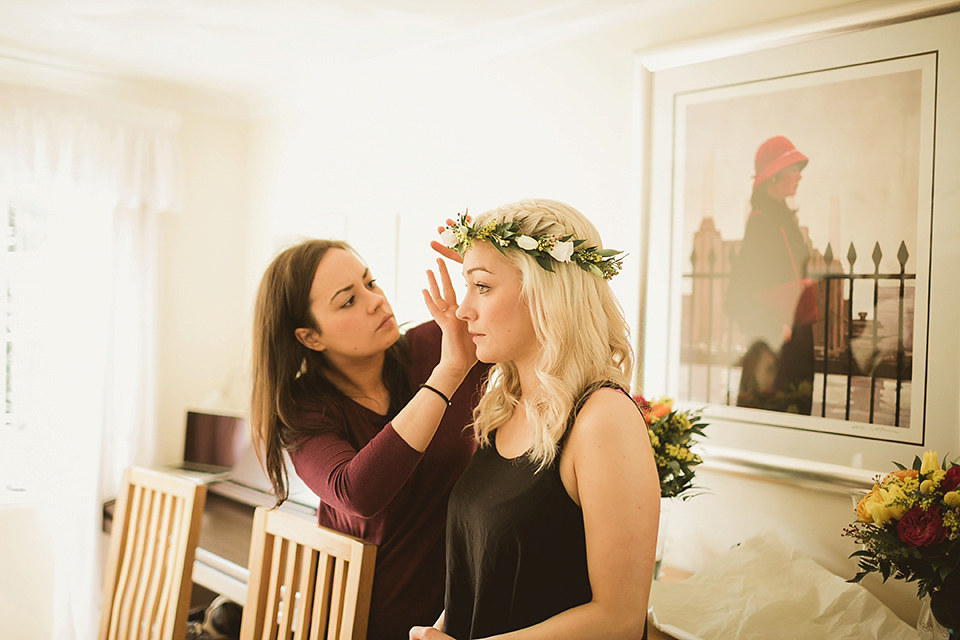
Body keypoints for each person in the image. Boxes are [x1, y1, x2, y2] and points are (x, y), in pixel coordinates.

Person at [410, 199, 660, 640]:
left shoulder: (603, 419)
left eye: (482, 287)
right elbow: (480, 573)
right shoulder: (501, 408)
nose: (464, 310)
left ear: (548, 293)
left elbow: (618, 619)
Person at [250, 238, 488, 639]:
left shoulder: (435, 344)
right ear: (310, 338)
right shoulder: (301, 408)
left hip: (464, 611)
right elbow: (357, 492)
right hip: (363, 618)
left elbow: (537, 316)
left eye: (370, 283)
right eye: (347, 301)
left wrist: (487, 279)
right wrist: (448, 374)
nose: (377, 301)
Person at [725, 135, 816, 414]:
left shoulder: (781, 219)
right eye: (792, 169)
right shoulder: (763, 222)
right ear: (774, 177)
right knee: (776, 406)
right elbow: (744, 290)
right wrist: (778, 324)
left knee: (792, 408)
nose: (798, 176)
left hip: (792, 334)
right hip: (778, 338)